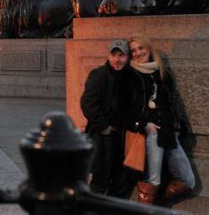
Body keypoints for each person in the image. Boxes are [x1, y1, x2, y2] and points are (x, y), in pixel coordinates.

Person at [121, 34, 195, 205]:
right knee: (152, 180)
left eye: (141, 48)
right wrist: (145, 124)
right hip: (151, 133)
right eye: (134, 51)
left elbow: (172, 101)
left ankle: (158, 206)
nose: (138, 53)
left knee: (187, 181)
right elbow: (125, 107)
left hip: (169, 132)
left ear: (148, 48)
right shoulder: (130, 75)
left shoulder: (161, 72)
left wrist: (178, 124)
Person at [81, 39, 133, 197]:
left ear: (128, 58)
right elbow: (88, 102)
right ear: (108, 56)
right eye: (114, 55)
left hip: (124, 136)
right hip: (103, 136)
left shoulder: (130, 77)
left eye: (122, 55)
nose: (117, 59)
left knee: (122, 180)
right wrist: (104, 126)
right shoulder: (99, 74)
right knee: (99, 181)